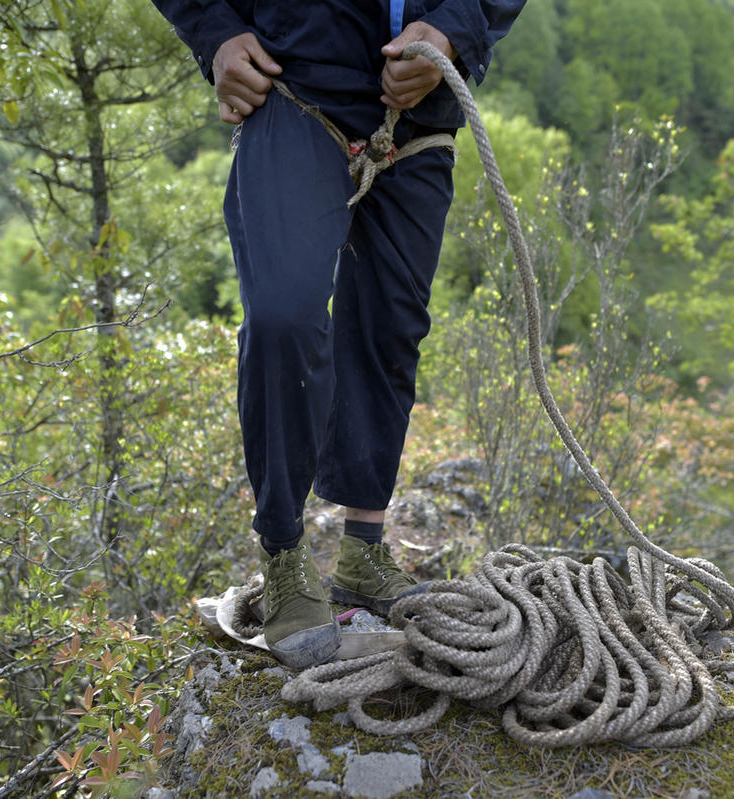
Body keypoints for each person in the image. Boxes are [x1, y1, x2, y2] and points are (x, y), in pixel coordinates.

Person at [150, 0, 525, 669]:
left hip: (422, 108)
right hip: (295, 85)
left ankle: (362, 550)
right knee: (283, 311)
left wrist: (452, 31)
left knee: (391, 325)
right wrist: (215, 34)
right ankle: (285, 555)